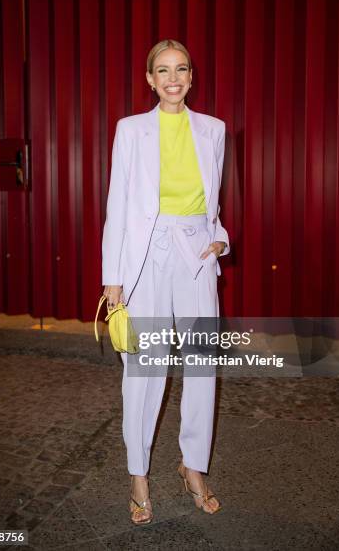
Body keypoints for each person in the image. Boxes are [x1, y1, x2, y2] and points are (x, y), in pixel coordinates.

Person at [102, 39, 230, 524]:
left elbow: (213, 201)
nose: (173, 78)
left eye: (181, 69)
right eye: (162, 70)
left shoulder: (214, 130)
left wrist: (220, 239)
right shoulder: (131, 131)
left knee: (200, 368)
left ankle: (193, 466)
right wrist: (113, 278)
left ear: (191, 78)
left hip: (196, 255)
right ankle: (139, 474)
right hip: (145, 260)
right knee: (146, 368)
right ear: (150, 80)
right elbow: (118, 204)